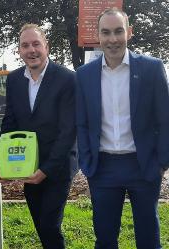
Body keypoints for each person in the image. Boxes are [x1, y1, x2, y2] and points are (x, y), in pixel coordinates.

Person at [76, 8, 169, 249]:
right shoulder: (84, 75)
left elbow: (165, 118)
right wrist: (87, 163)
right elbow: (82, 122)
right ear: (98, 35)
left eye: (118, 31)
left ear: (129, 32)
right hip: (103, 168)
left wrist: (162, 163)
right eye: (105, 32)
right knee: (105, 239)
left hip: (144, 166)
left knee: (149, 239)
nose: (112, 39)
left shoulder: (151, 68)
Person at [0, 24, 76, 249]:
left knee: (50, 225)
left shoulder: (67, 79)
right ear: (19, 51)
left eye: (36, 44)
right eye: (25, 45)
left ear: (46, 46)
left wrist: (46, 170)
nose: (31, 50)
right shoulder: (14, 80)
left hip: (57, 166)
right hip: (27, 165)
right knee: (41, 225)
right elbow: (9, 122)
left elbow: (69, 131)